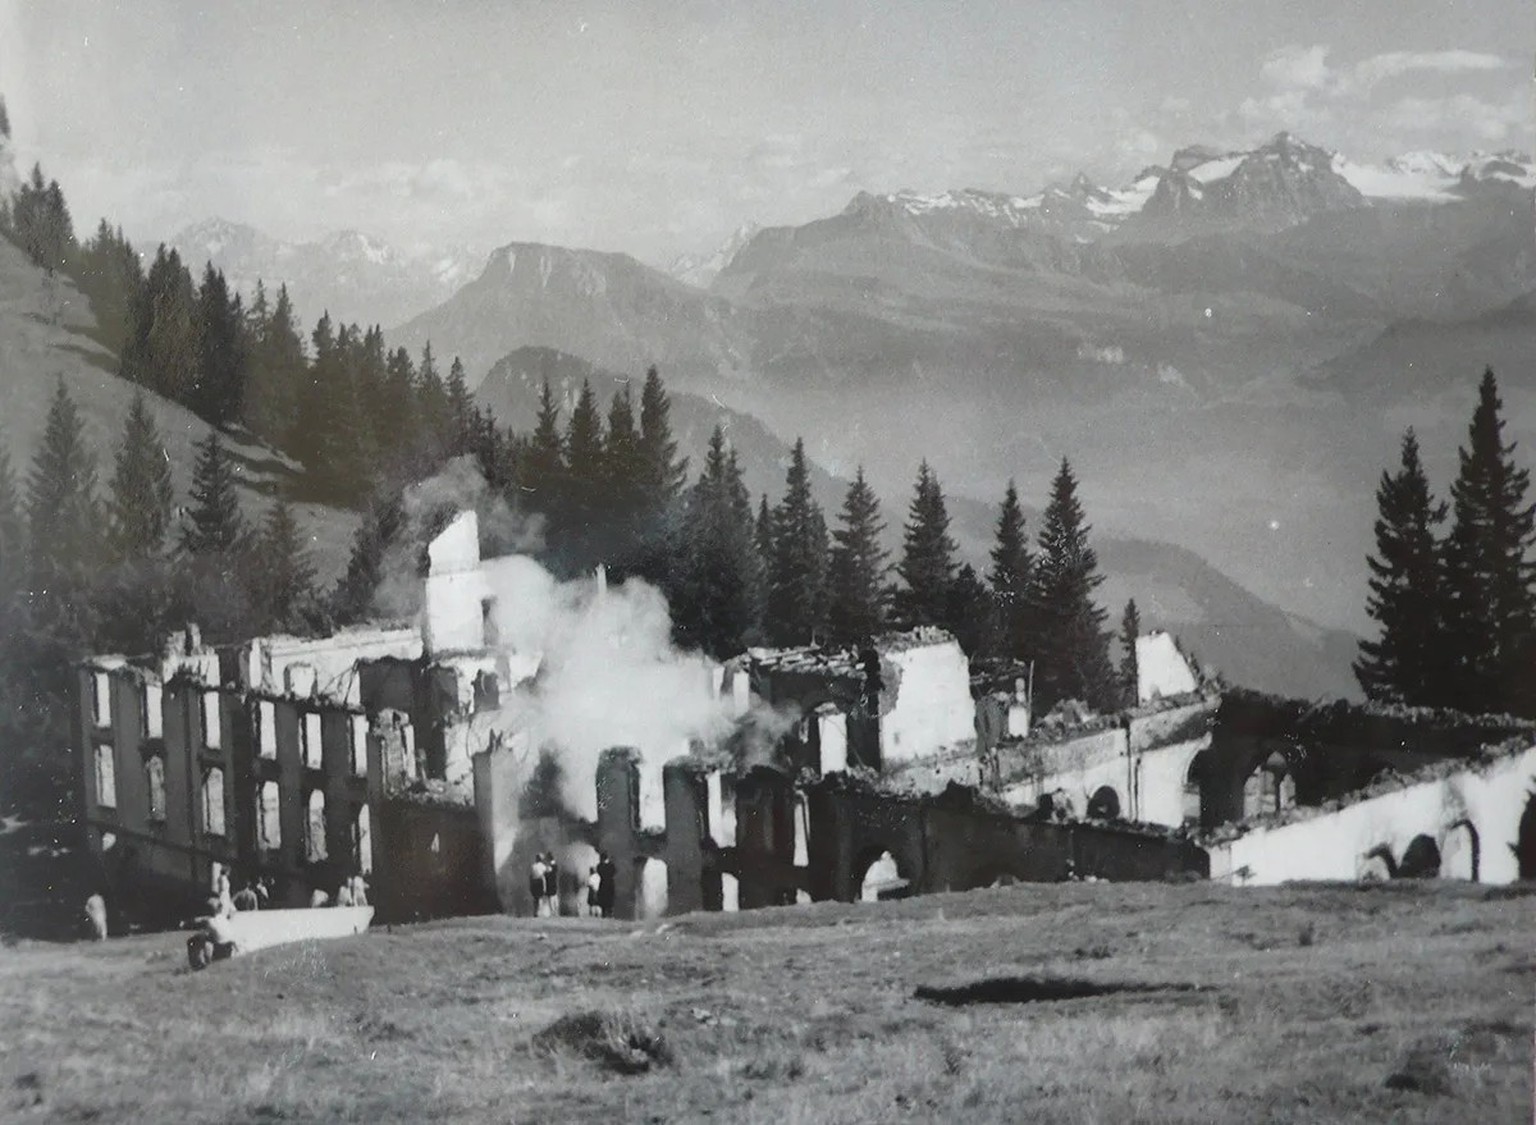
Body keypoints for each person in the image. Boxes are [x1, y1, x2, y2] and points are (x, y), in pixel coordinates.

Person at [596, 851, 617, 918]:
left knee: (603, 897)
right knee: (610, 897)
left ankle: (604, 912)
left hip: (603, 882)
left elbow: (599, 872)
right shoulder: (611, 865)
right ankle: (610, 912)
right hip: (610, 883)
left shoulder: (599, 866)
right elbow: (614, 872)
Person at [542, 852, 560, 917]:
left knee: (551, 899)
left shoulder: (549, 867)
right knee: (554, 899)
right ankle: (555, 912)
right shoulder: (554, 866)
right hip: (553, 884)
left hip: (550, 884)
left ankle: (553, 912)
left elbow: (546, 874)